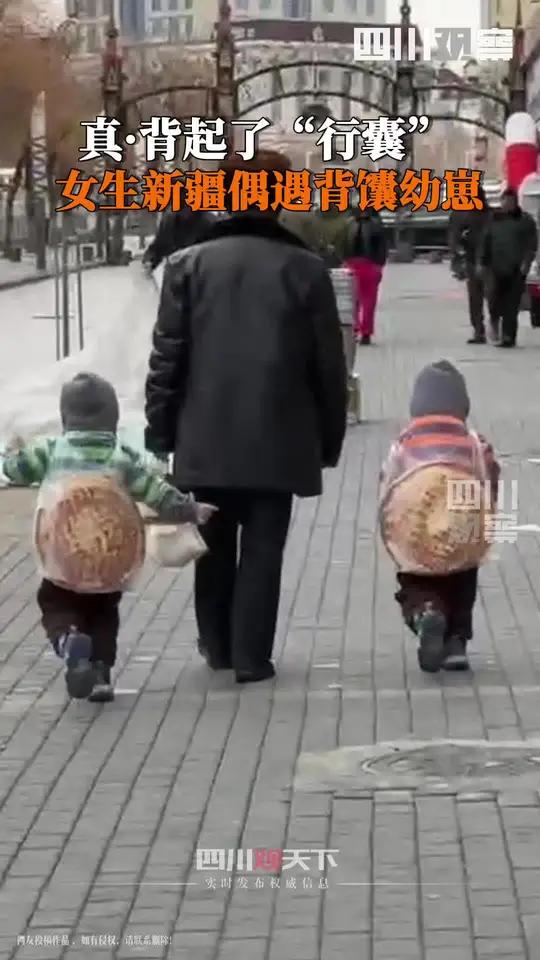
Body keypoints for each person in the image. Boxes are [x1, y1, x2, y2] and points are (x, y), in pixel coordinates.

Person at [144, 151, 348, 684]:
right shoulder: (306, 270)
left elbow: (167, 356)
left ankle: (217, 646)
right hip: (279, 436)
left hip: (202, 435)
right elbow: (329, 367)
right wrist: (328, 439)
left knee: (211, 543)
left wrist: (160, 429)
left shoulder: (187, 266)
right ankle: (252, 656)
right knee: (263, 549)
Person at [2, 373, 215, 703]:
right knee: (103, 610)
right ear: (113, 418)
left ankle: (68, 640)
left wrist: (11, 453)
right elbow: (156, 493)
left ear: (64, 417)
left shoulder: (51, 449)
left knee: (56, 601)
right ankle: (101, 674)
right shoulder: (122, 456)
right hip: (111, 552)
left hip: (62, 550)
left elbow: (17, 470)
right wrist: (190, 510)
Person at [379, 361, 500, 673]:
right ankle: (457, 641)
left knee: (415, 578)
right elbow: (490, 476)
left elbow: (389, 482)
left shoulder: (405, 442)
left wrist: (390, 525)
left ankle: (425, 610)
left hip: (418, 527)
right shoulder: (474, 441)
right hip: (463, 525)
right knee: (463, 578)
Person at [481, 186, 538, 348]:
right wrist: (482, 262)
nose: (508, 204)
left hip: (516, 269)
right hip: (494, 268)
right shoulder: (494, 219)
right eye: (505, 201)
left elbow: (531, 244)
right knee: (493, 301)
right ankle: (494, 322)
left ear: (515, 202)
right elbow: (485, 242)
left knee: (511, 306)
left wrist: (526, 262)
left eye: (511, 201)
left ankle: (508, 337)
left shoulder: (525, 221)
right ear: (501, 202)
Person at [448, 186, 494, 344]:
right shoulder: (463, 215)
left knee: (489, 297)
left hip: (488, 263)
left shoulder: (490, 216)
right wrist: (458, 256)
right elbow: (455, 238)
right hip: (472, 260)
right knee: (476, 299)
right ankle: (479, 330)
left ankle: (490, 325)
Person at [345, 208, 388, 345]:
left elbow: (342, 246)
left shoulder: (348, 225)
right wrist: (379, 265)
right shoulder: (377, 226)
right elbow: (382, 249)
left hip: (351, 265)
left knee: (352, 301)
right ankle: (366, 333)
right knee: (369, 302)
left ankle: (354, 329)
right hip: (370, 265)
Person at [142, 208, 216, 273]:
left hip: (199, 273)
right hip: (174, 271)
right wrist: (150, 260)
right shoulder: (170, 218)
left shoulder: (210, 223)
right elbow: (159, 246)